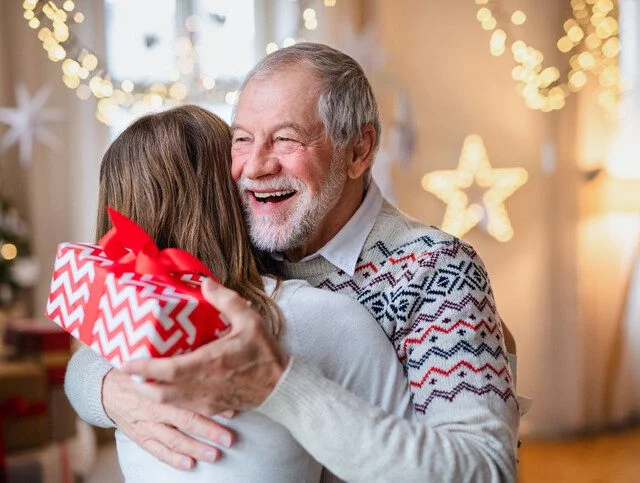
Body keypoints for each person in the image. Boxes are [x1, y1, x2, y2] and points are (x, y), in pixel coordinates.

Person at [66, 43, 520, 481]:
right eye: (242, 139)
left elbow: (486, 471)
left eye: (286, 139)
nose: (256, 166)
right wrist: (108, 392)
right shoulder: (240, 239)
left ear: (359, 151)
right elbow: (94, 350)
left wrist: (281, 387)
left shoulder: (436, 269)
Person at [67, 104, 413, 482]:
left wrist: (99, 389)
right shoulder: (312, 317)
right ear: (231, 194)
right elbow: (407, 463)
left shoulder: (117, 330)